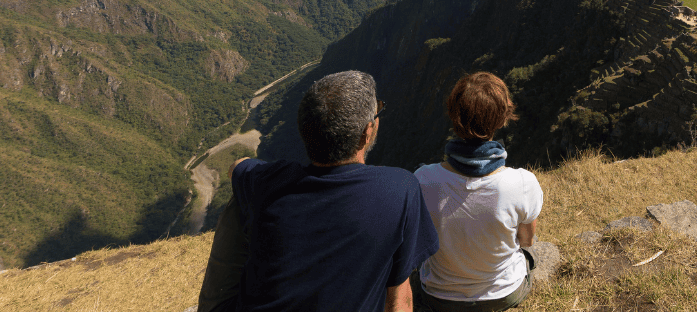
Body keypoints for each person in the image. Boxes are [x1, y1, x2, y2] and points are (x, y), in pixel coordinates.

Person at [197, 70, 439, 312]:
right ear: (367, 133)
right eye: (378, 112)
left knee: (240, 200)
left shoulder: (270, 181)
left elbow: (236, 167)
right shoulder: (399, 189)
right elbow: (399, 298)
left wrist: (265, 170)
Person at [414, 72, 544, 312]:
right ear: (503, 118)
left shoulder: (423, 180)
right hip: (503, 294)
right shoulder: (522, 183)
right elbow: (526, 241)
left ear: (454, 115)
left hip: (439, 297)